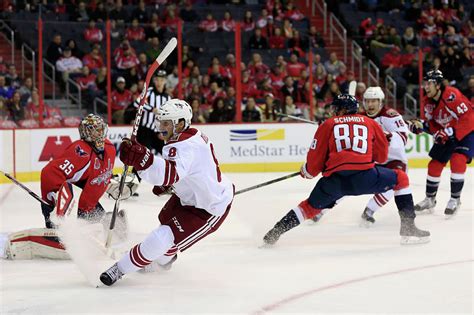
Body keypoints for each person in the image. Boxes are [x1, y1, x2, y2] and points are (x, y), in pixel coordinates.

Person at [263, 95, 430, 246]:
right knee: (401, 178)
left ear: (342, 109)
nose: (332, 112)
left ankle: (275, 232)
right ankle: (408, 226)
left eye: (335, 108)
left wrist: (306, 171)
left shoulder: (328, 125)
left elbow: (314, 164)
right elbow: (381, 157)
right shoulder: (370, 123)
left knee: (308, 207)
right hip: (366, 178)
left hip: (335, 183)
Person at [99, 99, 234, 286]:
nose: (160, 127)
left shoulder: (185, 145)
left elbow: (171, 173)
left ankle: (120, 269)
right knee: (165, 221)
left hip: (209, 208)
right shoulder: (185, 138)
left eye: (165, 123)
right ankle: (165, 261)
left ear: (180, 123)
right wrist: (168, 182)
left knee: (162, 237)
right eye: (160, 122)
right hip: (189, 198)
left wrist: (143, 160)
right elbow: (185, 173)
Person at [413, 70, 473, 216]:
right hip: (449, 132)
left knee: (457, 160)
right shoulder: (426, 102)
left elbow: (468, 117)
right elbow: (433, 124)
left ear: (438, 85)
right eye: (425, 84)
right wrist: (421, 127)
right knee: (434, 164)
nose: (426, 87)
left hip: (467, 131)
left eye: (429, 84)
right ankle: (430, 199)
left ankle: (455, 200)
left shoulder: (451, 95)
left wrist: (449, 132)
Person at [40, 114, 116, 228]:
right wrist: (52, 196)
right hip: (75, 202)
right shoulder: (80, 152)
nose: (100, 133)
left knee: (109, 227)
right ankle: (56, 227)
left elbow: (98, 173)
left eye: (101, 129)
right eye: (96, 130)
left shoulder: (109, 147)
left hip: (88, 203)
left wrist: (113, 181)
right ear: (87, 133)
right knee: (60, 227)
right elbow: (49, 172)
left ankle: (103, 222)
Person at [125, 70, 170, 155]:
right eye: (157, 79)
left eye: (161, 80)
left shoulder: (167, 98)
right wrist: (152, 109)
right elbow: (137, 103)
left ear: (165, 81)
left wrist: (164, 132)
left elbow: (168, 117)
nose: (159, 82)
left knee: (166, 153)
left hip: (158, 132)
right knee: (143, 156)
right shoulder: (149, 91)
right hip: (145, 130)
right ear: (154, 80)